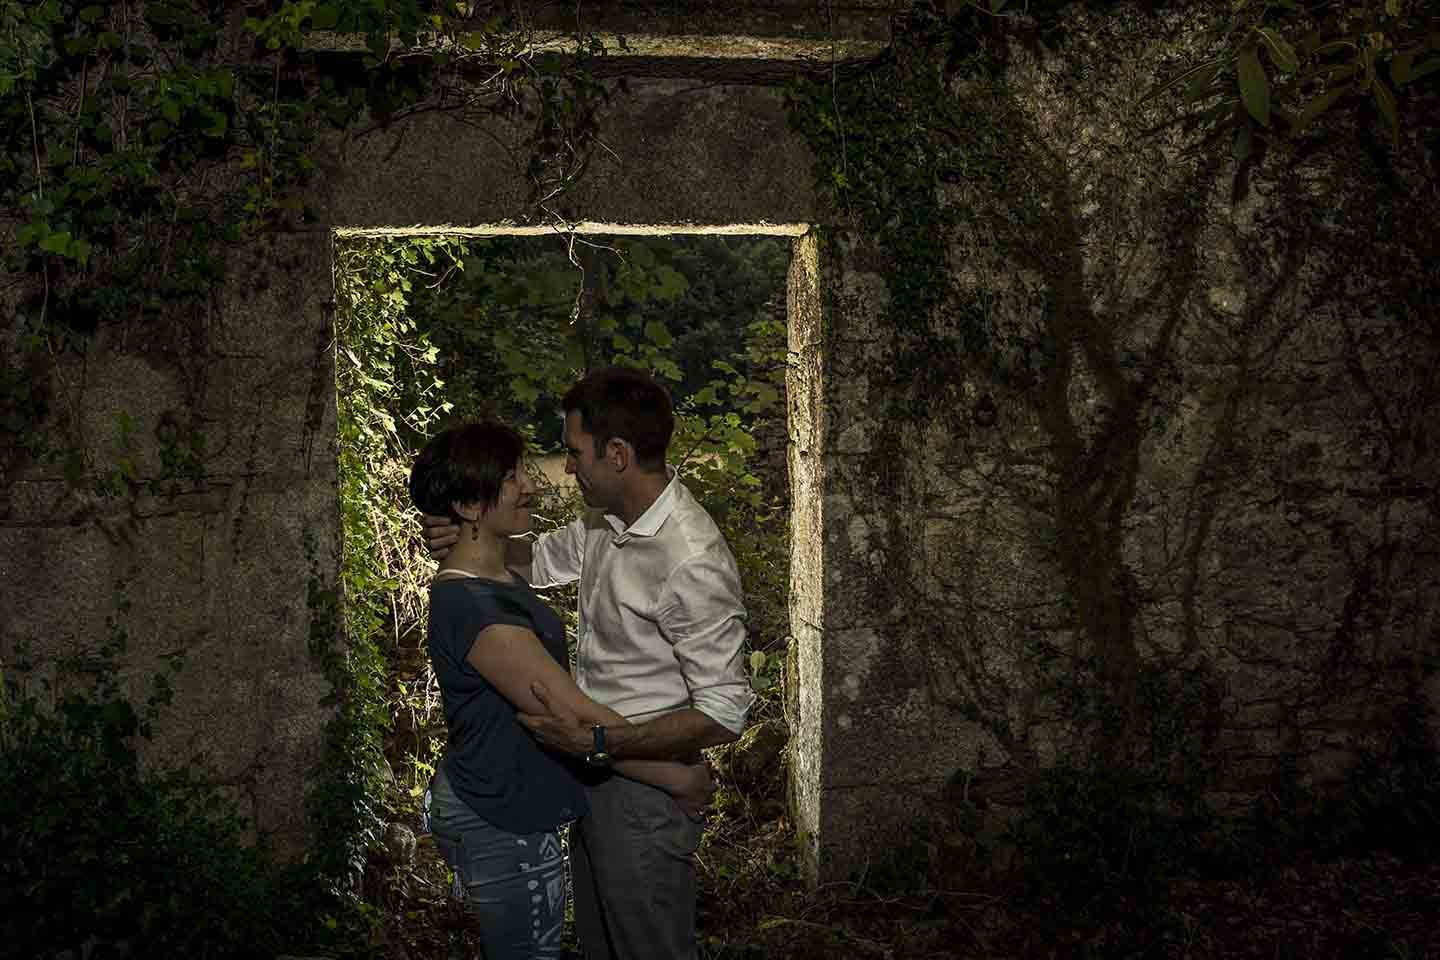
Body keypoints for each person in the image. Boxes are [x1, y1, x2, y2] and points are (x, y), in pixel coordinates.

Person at [424, 367, 755, 960]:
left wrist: (607, 743)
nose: (566, 468)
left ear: (619, 455)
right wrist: (466, 534)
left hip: (644, 792)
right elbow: (537, 561)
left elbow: (726, 712)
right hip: (591, 772)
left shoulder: (690, 559)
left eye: (575, 453)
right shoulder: (605, 520)